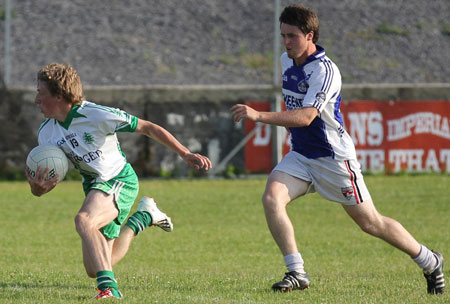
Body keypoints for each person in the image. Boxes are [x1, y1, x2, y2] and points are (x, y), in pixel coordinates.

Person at [231, 4, 444, 295]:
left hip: (334, 160)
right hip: (302, 156)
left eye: (292, 36)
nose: (286, 42)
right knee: (271, 198)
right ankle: (297, 272)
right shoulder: (286, 61)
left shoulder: (325, 70)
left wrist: (258, 116)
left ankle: (430, 261)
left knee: (371, 223)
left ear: (310, 35)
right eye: (283, 36)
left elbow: (307, 116)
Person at [26, 62, 212, 299]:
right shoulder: (46, 132)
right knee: (95, 267)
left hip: (119, 179)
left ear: (60, 96)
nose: (36, 100)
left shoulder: (95, 114)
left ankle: (109, 290)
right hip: (94, 186)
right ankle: (143, 218)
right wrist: (38, 189)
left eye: (41, 94)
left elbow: (148, 127)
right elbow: (48, 178)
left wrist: (185, 153)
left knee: (84, 220)